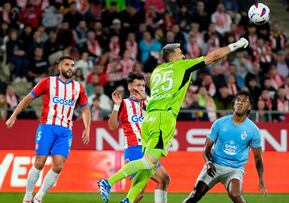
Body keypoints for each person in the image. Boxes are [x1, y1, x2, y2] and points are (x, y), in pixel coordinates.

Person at [97, 37, 249, 203]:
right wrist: (235, 45)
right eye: (180, 53)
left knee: (150, 167)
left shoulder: (157, 72)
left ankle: (127, 200)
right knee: (148, 162)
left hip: (149, 117)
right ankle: (108, 182)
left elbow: (158, 96)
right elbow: (212, 57)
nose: (184, 56)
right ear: (171, 58)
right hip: (164, 118)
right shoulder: (182, 66)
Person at [5, 56, 91, 203]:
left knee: (58, 166)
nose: (70, 67)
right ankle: (27, 196)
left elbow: (85, 109)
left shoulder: (78, 88)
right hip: (47, 127)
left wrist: (87, 128)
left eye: (72, 65)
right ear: (59, 67)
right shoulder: (47, 82)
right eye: (67, 64)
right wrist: (14, 115)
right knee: (39, 162)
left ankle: (39, 196)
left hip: (65, 131)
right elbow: (28, 98)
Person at [183, 91, 266, 203]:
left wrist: (261, 178)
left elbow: (258, 157)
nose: (240, 103)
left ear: (249, 106)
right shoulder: (220, 123)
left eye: (244, 101)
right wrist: (208, 163)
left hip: (235, 169)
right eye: (238, 100)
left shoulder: (253, 130)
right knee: (195, 195)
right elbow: (207, 148)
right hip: (214, 165)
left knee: (236, 195)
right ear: (234, 104)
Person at [99, 72, 170, 203]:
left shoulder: (150, 104)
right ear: (130, 87)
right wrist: (116, 106)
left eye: (143, 85)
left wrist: (146, 99)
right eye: (138, 85)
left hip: (149, 148)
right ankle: (108, 182)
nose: (142, 88)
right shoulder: (124, 104)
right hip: (134, 148)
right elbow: (112, 126)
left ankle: (108, 184)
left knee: (163, 179)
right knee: (140, 192)